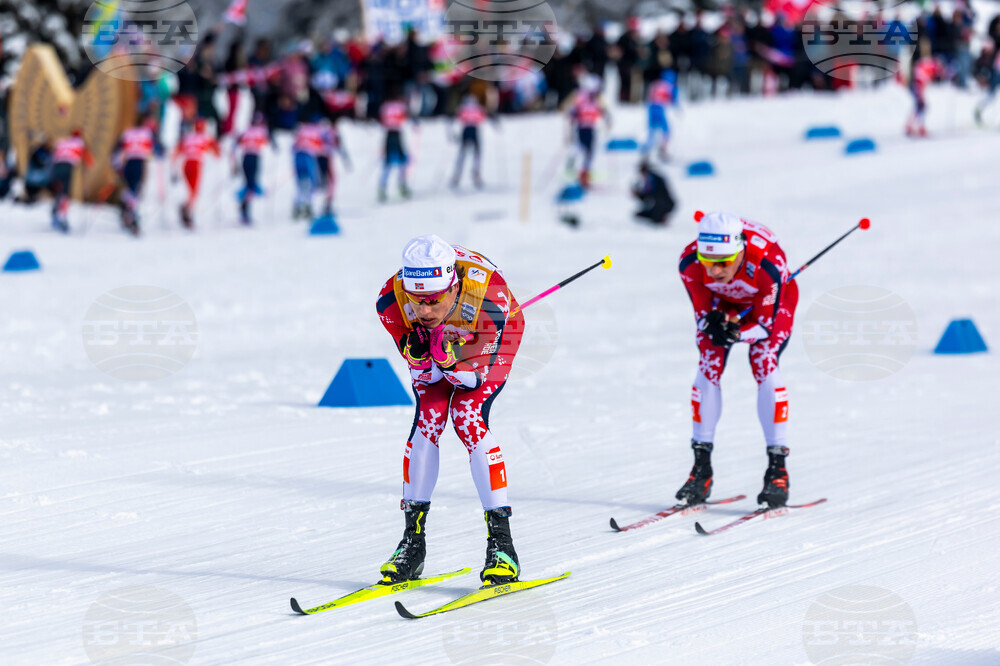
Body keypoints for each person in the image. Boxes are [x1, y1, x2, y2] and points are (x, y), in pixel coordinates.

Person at [375, 235, 525, 585]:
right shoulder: (391, 301)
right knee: (429, 416)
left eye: (433, 301)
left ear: (453, 287)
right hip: (450, 347)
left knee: (466, 416)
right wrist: (422, 357)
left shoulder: (491, 298)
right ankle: (412, 544)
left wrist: (450, 360)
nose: (424, 311)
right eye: (417, 301)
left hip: (490, 339)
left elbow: (471, 383)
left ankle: (503, 546)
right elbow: (426, 378)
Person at [677, 212, 798, 508]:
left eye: (723, 263)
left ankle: (777, 470)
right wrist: (714, 325)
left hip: (767, 307)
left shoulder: (768, 263)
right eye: (709, 262)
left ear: (740, 250)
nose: (715, 271)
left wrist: (735, 333)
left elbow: (764, 326)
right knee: (708, 362)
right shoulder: (690, 263)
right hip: (723, 305)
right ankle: (701, 469)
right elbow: (702, 315)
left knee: (764, 362)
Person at [113, 114, 164, 235]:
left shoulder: (128, 133)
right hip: (139, 162)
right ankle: (131, 215)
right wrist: (160, 152)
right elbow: (158, 147)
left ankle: (127, 211)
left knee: (131, 188)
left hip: (128, 162)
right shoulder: (146, 133)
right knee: (136, 189)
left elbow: (116, 150)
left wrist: (117, 165)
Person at [172, 117, 220, 228]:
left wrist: (173, 166)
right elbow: (216, 150)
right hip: (196, 164)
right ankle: (187, 210)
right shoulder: (205, 137)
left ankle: (187, 210)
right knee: (194, 192)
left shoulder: (188, 137)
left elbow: (177, 150)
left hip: (186, 164)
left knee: (190, 191)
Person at [566, 74, 610, 189]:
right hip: (584, 128)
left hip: (589, 127)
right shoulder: (584, 98)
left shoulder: (590, 99)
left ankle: (583, 173)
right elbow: (573, 112)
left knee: (588, 151)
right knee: (587, 151)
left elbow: (601, 111)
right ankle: (581, 173)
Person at [231, 111, 275, 225]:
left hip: (246, 157)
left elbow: (235, 144)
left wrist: (233, 161)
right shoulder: (261, 131)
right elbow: (270, 141)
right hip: (254, 157)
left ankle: (245, 208)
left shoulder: (245, 131)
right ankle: (244, 209)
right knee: (251, 184)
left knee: (249, 183)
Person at [49, 128, 95, 233]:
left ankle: (56, 213)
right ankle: (62, 217)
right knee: (65, 193)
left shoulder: (62, 142)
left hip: (56, 166)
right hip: (67, 166)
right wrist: (88, 165)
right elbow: (89, 160)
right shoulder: (79, 143)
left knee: (59, 190)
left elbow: (53, 153)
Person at [450, 94, 490, 189]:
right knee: (475, 153)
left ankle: (458, 175)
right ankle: (474, 174)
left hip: (467, 130)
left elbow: (458, 117)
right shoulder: (477, 108)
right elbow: (482, 117)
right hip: (472, 130)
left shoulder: (463, 107)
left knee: (464, 154)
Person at [378, 94, 413, 202]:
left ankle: (383, 188)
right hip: (396, 134)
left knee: (389, 162)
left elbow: (382, 118)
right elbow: (405, 116)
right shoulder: (400, 105)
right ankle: (401, 185)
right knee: (400, 161)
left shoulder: (385, 106)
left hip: (389, 134)